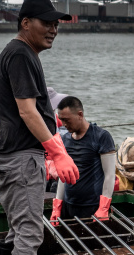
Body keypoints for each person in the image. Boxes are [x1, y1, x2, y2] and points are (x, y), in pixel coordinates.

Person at [0, 0, 78, 255]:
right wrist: (58, 151)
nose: (53, 29)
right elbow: (27, 110)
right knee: (29, 231)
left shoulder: (20, 53)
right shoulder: (20, 54)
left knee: (17, 227)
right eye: (47, 22)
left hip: (12, 154)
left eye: (56, 24)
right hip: (23, 157)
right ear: (25, 22)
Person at [48, 97, 117, 226]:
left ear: (80, 115)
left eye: (67, 120)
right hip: (68, 205)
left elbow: (110, 175)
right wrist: (57, 205)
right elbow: (64, 176)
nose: (63, 124)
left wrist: (103, 207)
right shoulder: (65, 139)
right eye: (61, 120)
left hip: (92, 206)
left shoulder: (101, 136)